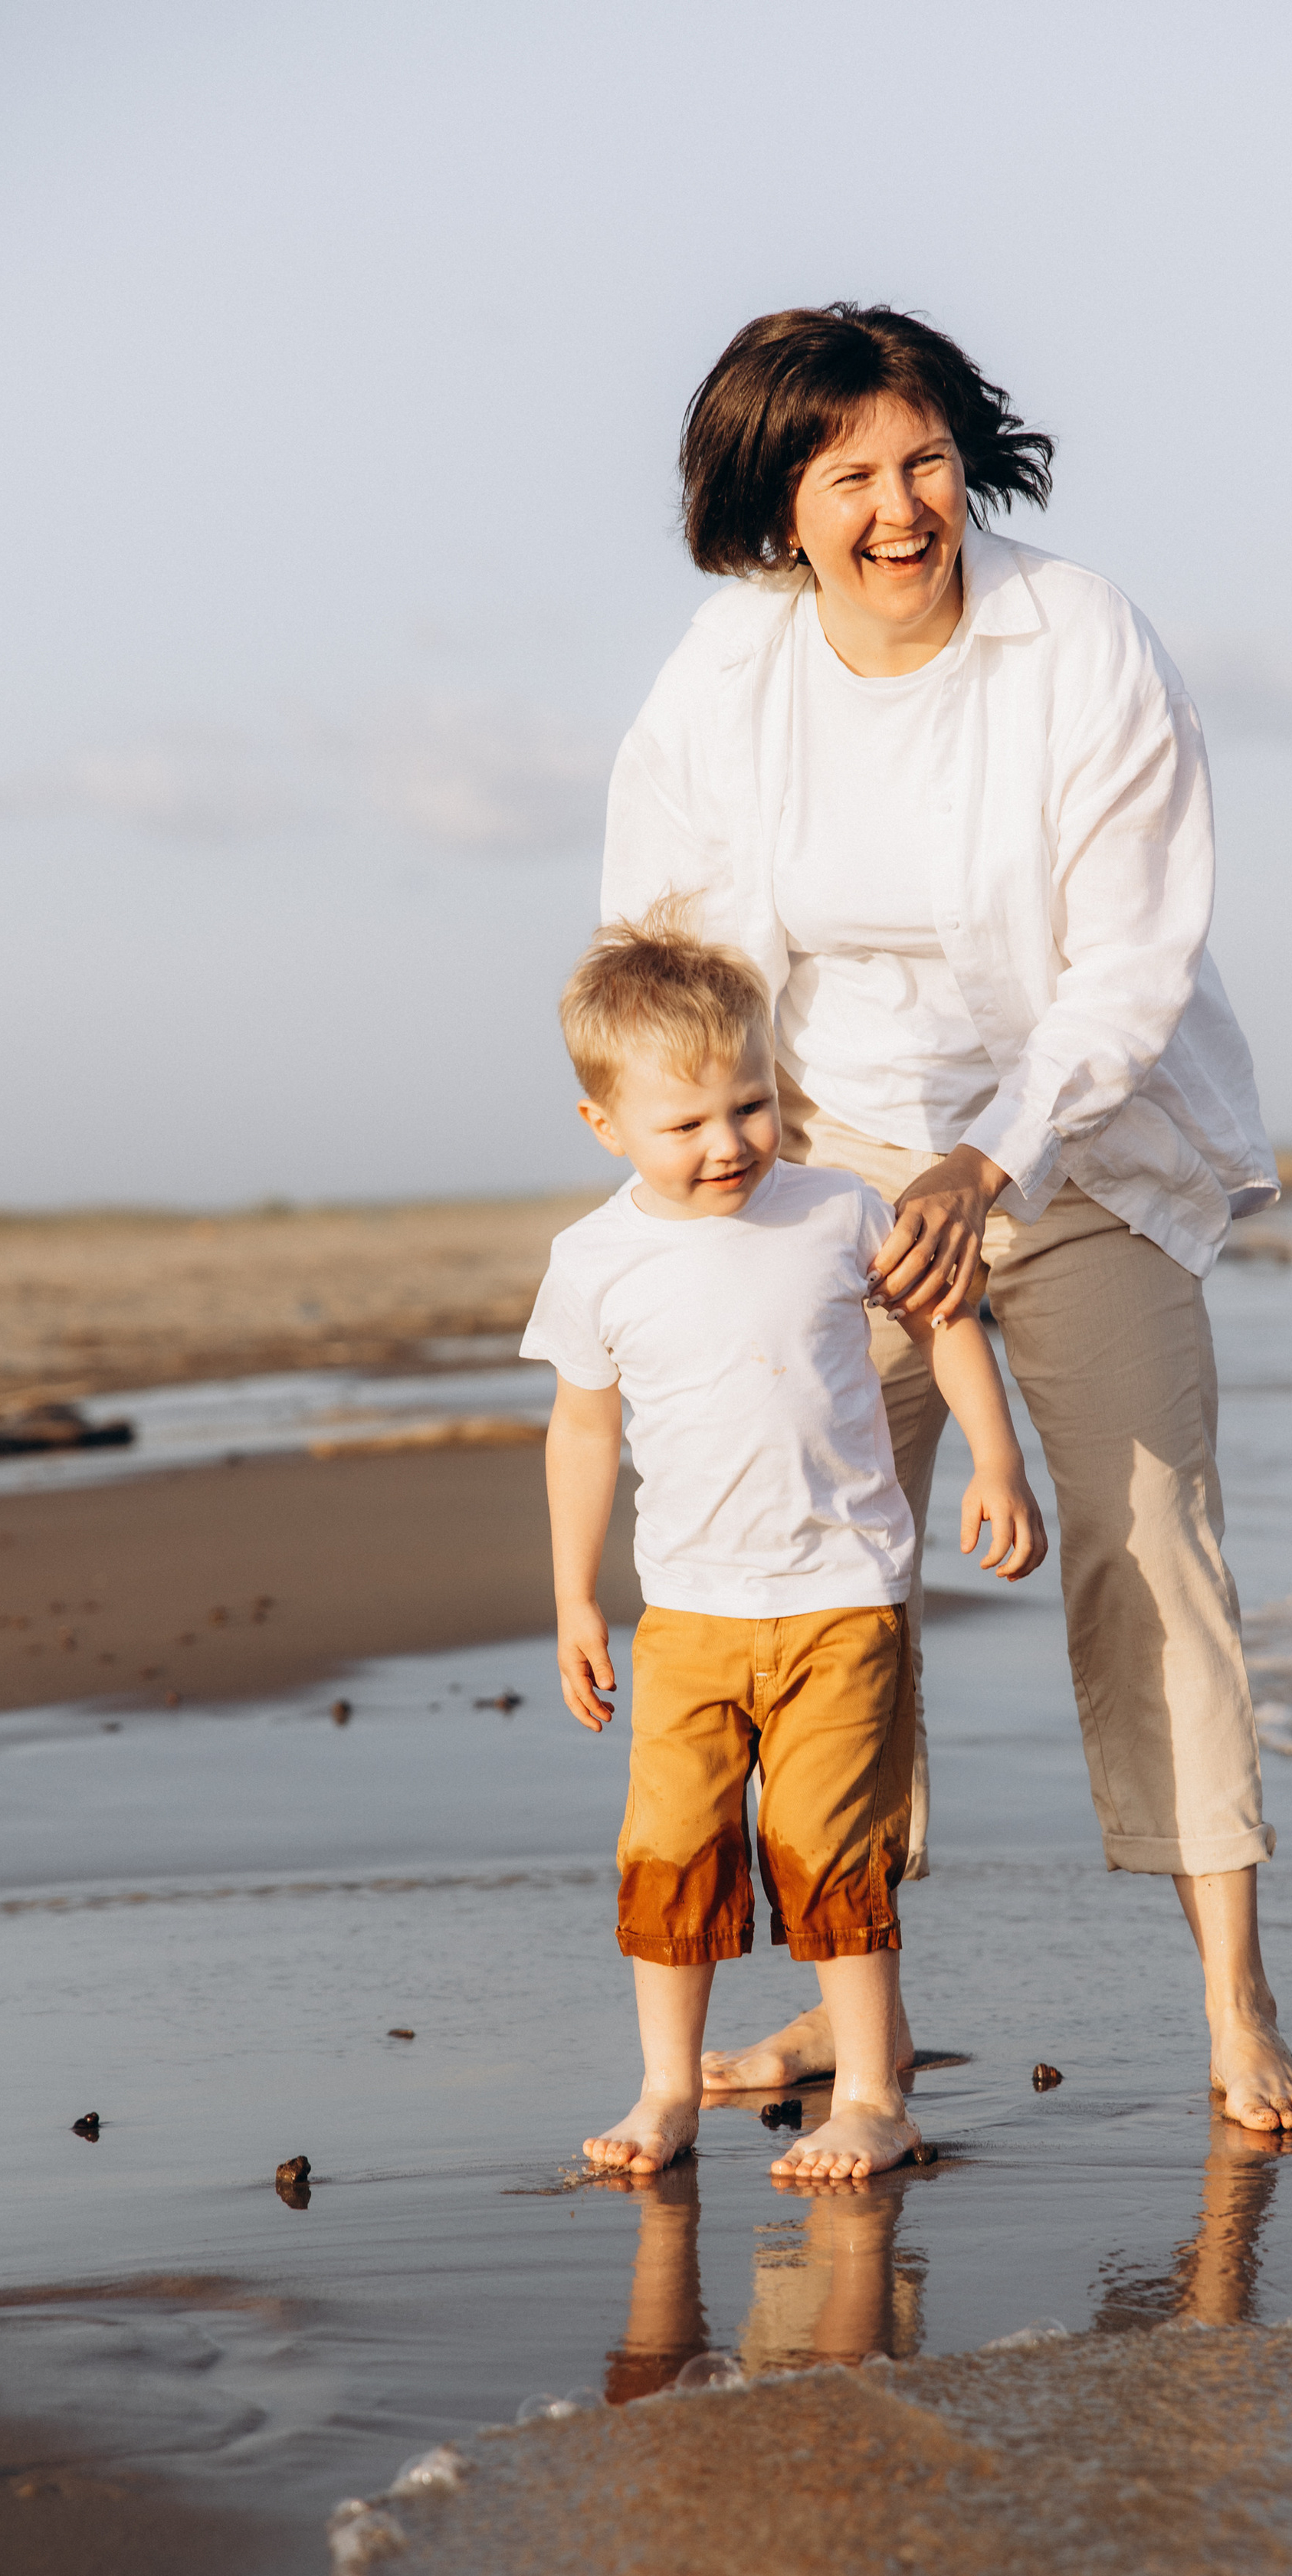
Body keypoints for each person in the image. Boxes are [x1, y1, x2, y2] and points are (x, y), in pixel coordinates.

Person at [600, 303, 1292, 2136]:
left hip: (1077, 1151)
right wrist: (719, 1176)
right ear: (777, 504)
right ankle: (850, 2025)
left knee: (1147, 1545)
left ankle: (1237, 2011)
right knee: (830, 1580)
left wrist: (987, 1162)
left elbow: (1129, 962)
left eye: (920, 459)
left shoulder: (1074, 636)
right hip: (826, 1162)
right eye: (844, 475)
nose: (895, 507)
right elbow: (666, 942)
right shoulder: (726, 668)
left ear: (966, 458)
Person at [520, 908, 1047, 2184]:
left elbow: (947, 1324)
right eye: (685, 1124)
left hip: (842, 1603)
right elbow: (583, 1436)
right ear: (606, 1126)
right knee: (673, 1857)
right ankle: (664, 2093)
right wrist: (574, 1603)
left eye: (751, 1107)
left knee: (833, 1855)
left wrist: (995, 1456)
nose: (728, 1145)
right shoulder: (594, 1262)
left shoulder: (839, 1213)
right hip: (690, 1616)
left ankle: (869, 2094)